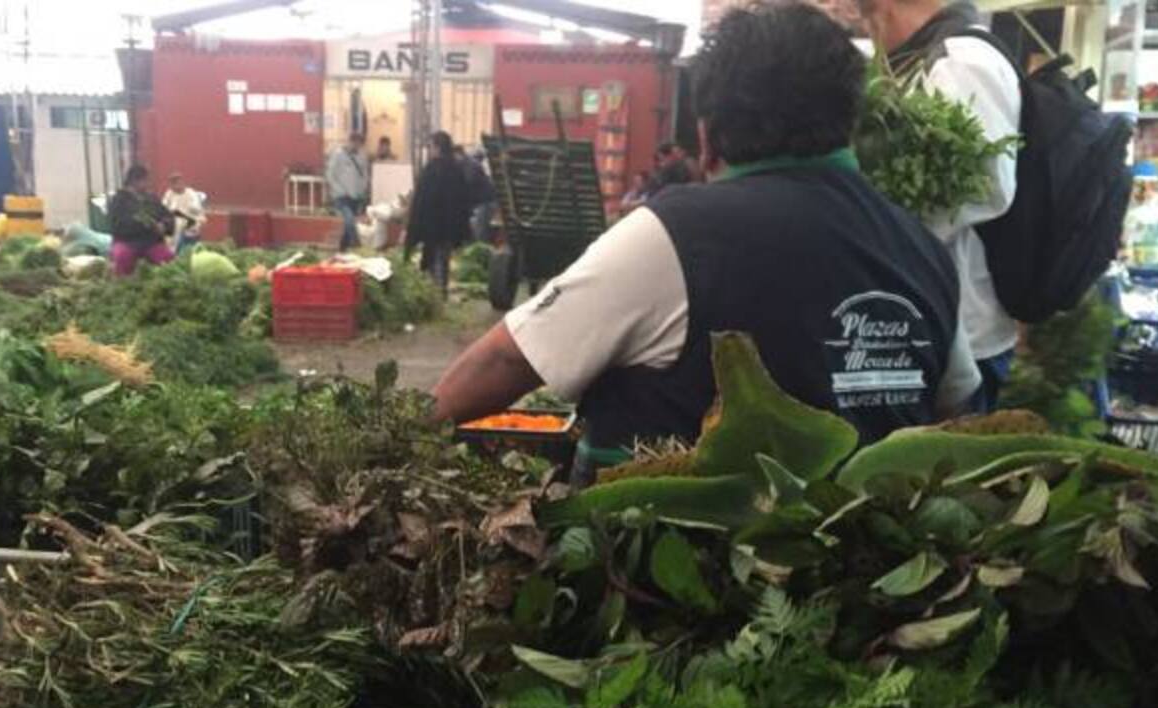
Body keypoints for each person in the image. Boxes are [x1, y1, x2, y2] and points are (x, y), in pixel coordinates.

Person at [431, 3, 980, 482]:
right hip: (865, 583)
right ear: (850, 120)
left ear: (708, 133)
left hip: (667, 583)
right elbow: (954, 407)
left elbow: (506, 358)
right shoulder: (922, 247)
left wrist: (398, 435)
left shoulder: (673, 234)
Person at [860, 0, 1022, 411]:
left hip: (966, 325)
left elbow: (985, 187)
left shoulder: (962, 60)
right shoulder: (935, 57)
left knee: (948, 464)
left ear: (885, 10)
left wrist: (884, 223)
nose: (875, 41)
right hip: (937, 316)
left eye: (869, 22)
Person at [406, 132, 473, 298]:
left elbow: (422, 200)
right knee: (443, 258)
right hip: (449, 226)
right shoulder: (456, 169)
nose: (430, 150)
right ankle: (441, 291)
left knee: (431, 258)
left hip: (432, 225)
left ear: (437, 147)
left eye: (431, 146)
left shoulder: (431, 169)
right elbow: (464, 198)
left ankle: (433, 293)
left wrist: (413, 228)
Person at [108, 164, 175, 277]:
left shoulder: (151, 198)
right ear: (134, 181)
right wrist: (146, 225)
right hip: (126, 242)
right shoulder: (119, 199)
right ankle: (122, 285)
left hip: (151, 242)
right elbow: (116, 225)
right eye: (145, 180)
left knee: (167, 258)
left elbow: (167, 215)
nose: (148, 184)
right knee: (122, 256)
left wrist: (164, 225)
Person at [326, 132, 370, 252]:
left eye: (360, 144)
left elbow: (365, 175)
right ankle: (358, 247)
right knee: (350, 221)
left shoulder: (362, 156)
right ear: (350, 141)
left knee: (348, 224)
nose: (357, 146)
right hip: (341, 196)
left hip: (356, 196)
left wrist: (363, 190)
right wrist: (340, 190)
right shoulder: (338, 155)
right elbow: (330, 175)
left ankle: (342, 249)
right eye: (355, 143)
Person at [457, 147, 496, 243]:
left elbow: (468, 183)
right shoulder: (466, 164)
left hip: (484, 202)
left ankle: (482, 253)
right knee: (477, 230)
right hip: (480, 203)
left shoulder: (470, 165)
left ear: (459, 154)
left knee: (480, 232)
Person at [161, 172, 206, 256]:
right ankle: (170, 253)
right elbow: (164, 207)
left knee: (182, 228)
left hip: (190, 220)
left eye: (177, 183)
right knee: (169, 229)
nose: (175, 186)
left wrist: (181, 213)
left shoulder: (191, 193)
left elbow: (196, 210)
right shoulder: (169, 193)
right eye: (172, 183)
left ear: (182, 183)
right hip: (173, 221)